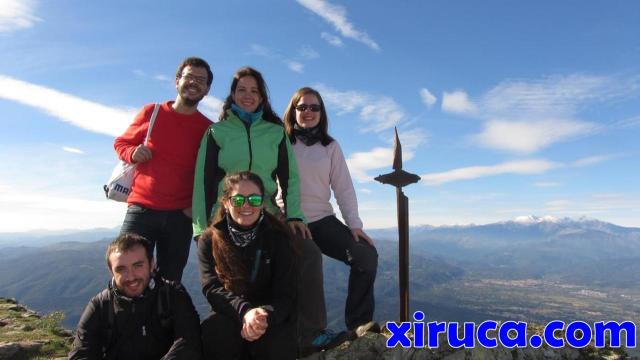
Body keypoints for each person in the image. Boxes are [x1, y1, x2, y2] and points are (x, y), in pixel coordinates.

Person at [191, 67, 319, 354]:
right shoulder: (216, 132)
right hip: (226, 215)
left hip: (268, 211)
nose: (248, 96)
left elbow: (290, 179)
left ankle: (308, 332)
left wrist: (295, 215)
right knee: (228, 274)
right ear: (233, 95)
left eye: (254, 90)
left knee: (308, 253)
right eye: (241, 90)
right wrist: (201, 228)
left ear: (262, 96)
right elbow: (202, 181)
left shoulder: (275, 133)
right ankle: (241, 323)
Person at [282, 87, 379, 349]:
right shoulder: (281, 141)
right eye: (302, 107)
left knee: (366, 256)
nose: (308, 112)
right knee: (309, 259)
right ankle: (311, 334)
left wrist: (355, 226)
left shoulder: (330, 146)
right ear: (293, 111)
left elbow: (343, 187)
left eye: (315, 107)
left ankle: (359, 327)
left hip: (322, 219)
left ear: (322, 113)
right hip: (288, 220)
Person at [114, 57, 213, 282]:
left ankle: (162, 318)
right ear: (177, 81)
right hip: (141, 210)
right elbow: (121, 143)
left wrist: (194, 207)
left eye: (201, 80)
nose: (194, 83)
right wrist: (132, 153)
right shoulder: (152, 113)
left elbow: (209, 173)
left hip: (180, 217)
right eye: (189, 77)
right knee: (127, 274)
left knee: (170, 282)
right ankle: (123, 318)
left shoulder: (208, 129)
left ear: (207, 90)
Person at [198, 171, 297, 359]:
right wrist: (244, 311)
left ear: (262, 202)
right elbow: (211, 288)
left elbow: (286, 292)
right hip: (230, 313)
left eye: (254, 199)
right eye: (237, 200)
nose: (246, 205)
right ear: (226, 203)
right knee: (215, 332)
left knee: (279, 345)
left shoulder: (277, 237)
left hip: (268, 317)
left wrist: (262, 316)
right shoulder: (210, 239)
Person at [69, 233, 202, 360]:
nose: (131, 277)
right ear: (111, 271)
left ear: (152, 264)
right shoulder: (101, 305)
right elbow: (80, 354)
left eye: (138, 266)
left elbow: (189, 342)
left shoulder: (171, 295)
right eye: (121, 269)